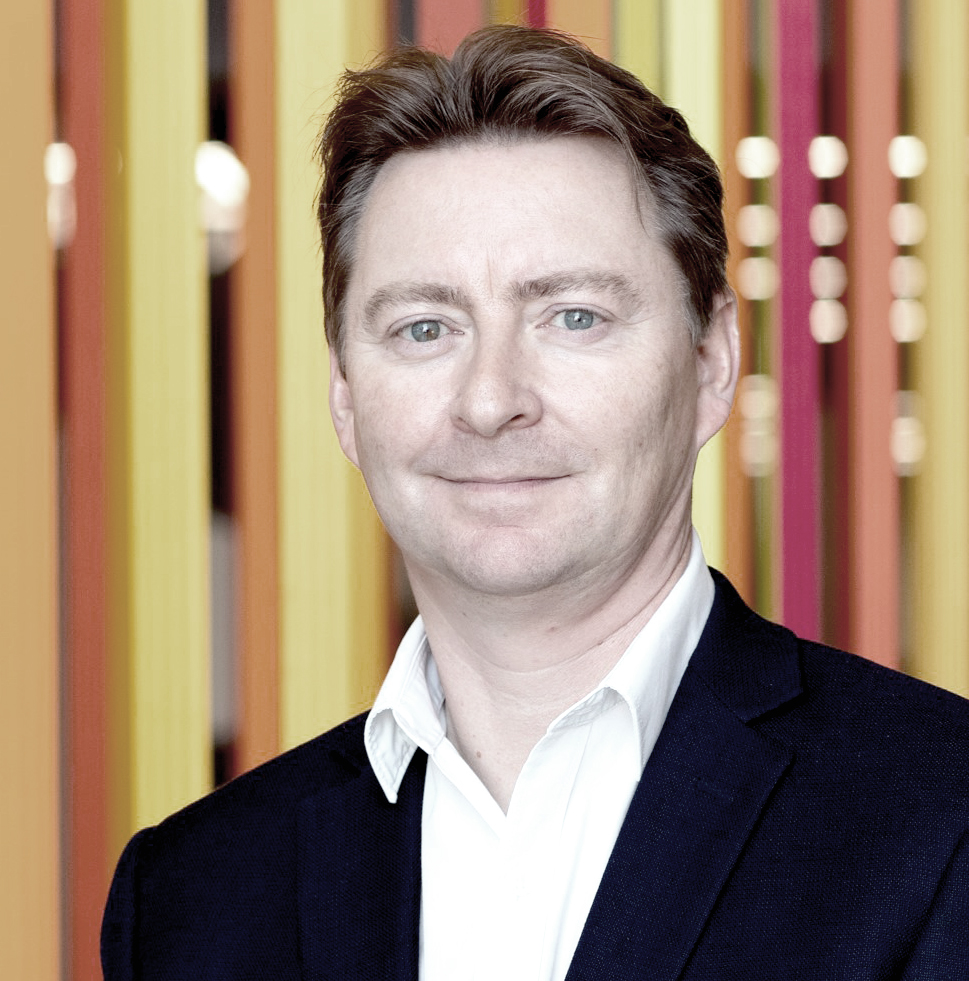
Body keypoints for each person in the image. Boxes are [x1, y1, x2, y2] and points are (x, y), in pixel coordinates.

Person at [102, 25, 969, 980]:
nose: (489, 400)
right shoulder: (190, 895)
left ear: (710, 360)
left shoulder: (942, 817)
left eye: (572, 317)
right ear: (345, 394)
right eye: (424, 327)